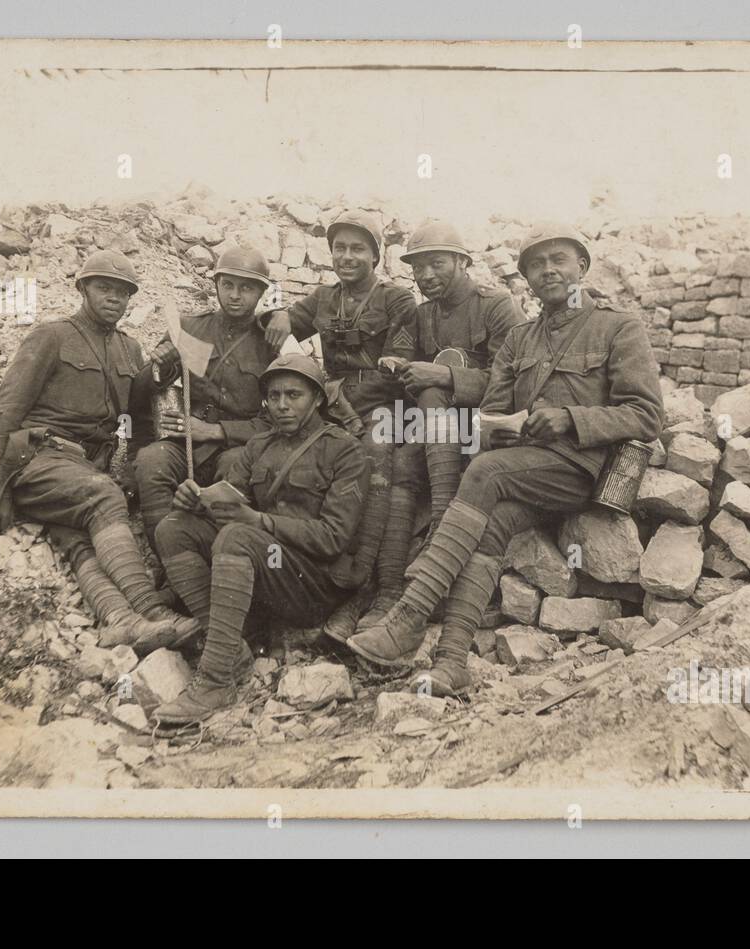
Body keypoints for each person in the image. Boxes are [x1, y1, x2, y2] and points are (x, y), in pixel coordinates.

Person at [345, 223, 665, 696]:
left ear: (582, 265)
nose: (548, 270)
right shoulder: (520, 339)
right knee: (491, 522)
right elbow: (491, 410)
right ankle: (452, 661)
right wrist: (501, 426)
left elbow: (646, 414)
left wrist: (569, 418)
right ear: (527, 278)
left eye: (558, 259)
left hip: (580, 470)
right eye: (536, 264)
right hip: (522, 471)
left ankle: (408, 618)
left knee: (485, 472)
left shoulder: (618, 327)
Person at [0, 249, 198, 652]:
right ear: (83, 289)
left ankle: (122, 621)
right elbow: (6, 410)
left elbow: (140, 419)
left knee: (80, 538)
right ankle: (154, 610)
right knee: (102, 495)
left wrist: (133, 462)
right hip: (37, 460)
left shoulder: (130, 350)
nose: (114, 298)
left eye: (123, 292)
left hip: (80, 469)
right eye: (104, 288)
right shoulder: (52, 336)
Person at [151, 354, 370, 725]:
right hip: (268, 568)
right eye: (274, 396)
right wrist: (197, 502)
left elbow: (334, 538)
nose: (282, 405)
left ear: (317, 399)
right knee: (173, 528)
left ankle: (217, 681)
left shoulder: (344, 449)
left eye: (294, 395)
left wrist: (259, 521)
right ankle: (230, 650)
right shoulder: (259, 446)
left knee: (238, 537)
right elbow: (231, 501)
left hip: (312, 585)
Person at [349, 221, 523, 634]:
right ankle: (389, 590)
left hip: (490, 425)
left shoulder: (497, 306)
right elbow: (404, 361)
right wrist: (397, 367)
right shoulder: (421, 315)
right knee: (400, 463)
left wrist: (445, 378)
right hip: (437, 429)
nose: (426, 276)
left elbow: (514, 382)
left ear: (463, 261)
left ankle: (442, 524)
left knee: (430, 394)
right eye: (418, 267)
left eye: (437, 263)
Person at [263, 209, 419, 644]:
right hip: (333, 407)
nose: (347, 257)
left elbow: (395, 370)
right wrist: (277, 314)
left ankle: (369, 586)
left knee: (372, 468)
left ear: (376, 255)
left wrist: (348, 407)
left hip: (383, 410)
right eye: (339, 248)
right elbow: (281, 324)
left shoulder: (397, 301)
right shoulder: (322, 298)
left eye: (357, 249)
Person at [132, 245, 280, 550]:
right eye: (227, 285)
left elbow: (280, 418)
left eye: (246, 288)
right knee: (152, 460)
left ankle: (214, 560)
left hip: (237, 447)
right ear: (216, 286)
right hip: (183, 443)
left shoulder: (269, 343)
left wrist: (217, 431)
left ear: (261, 293)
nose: (235, 295)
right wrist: (160, 366)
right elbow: (141, 393)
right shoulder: (188, 327)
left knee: (236, 474)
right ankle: (167, 561)